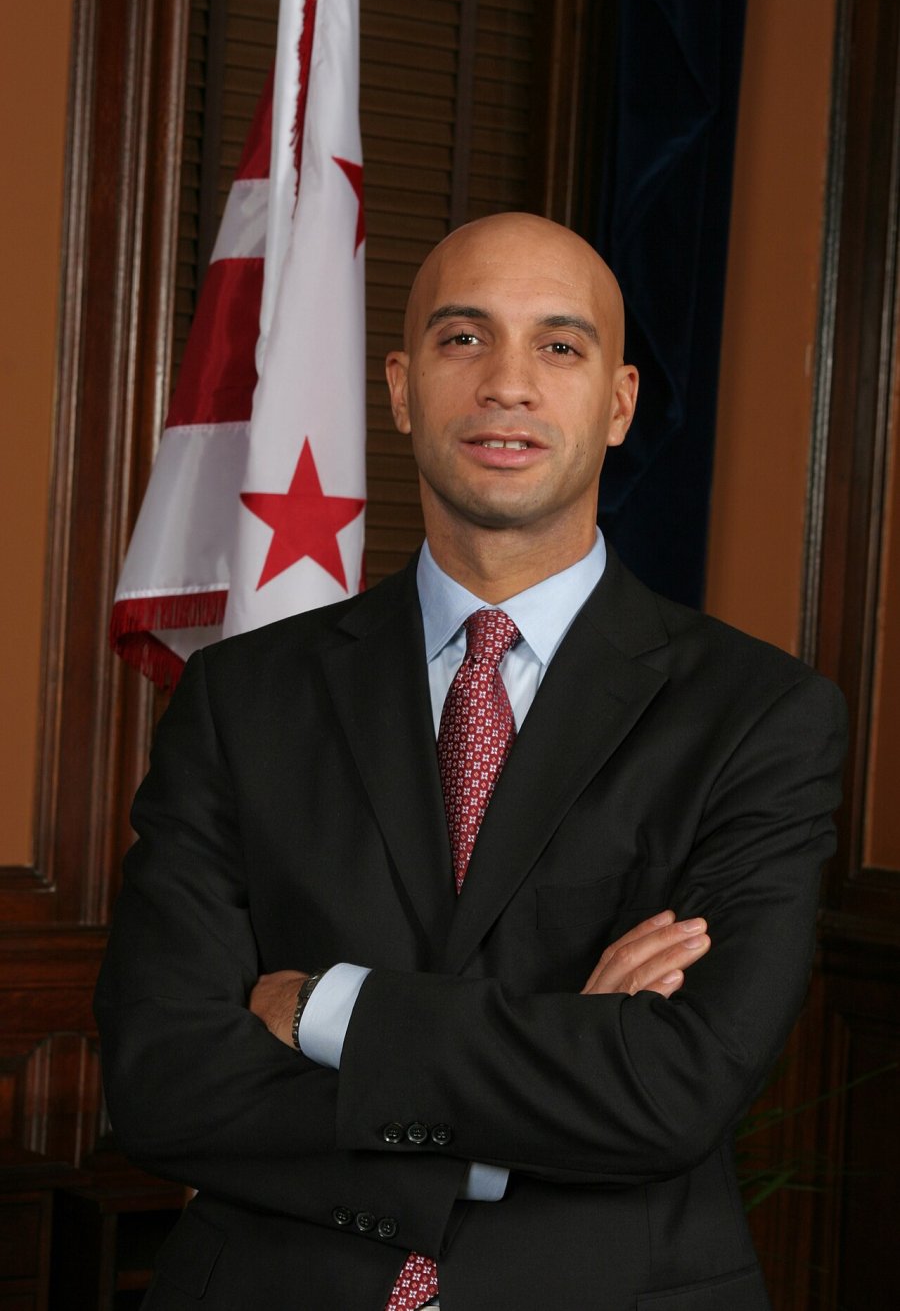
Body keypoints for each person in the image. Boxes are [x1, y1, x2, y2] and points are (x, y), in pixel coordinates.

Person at [95, 212, 847, 1311]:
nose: (507, 384)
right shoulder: (240, 698)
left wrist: (324, 1008)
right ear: (402, 390)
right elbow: (163, 1079)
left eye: (559, 345)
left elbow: (676, 1089)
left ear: (620, 403)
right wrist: (551, 1074)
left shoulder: (760, 716)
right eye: (463, 338)